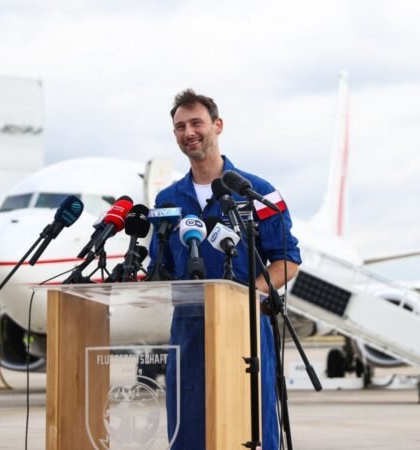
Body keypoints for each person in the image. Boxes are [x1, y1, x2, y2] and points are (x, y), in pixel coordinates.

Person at [147, 89, 301, 449]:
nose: (189, 133)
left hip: (245, 327)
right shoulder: (167, 200)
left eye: (196, 123)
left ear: (217, 125)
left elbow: (287, 260)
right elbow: (160, 267)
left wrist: (247, 297)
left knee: (250, 426)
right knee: (188, 428)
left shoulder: (257, 191)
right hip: (188, 331)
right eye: (180, 127)